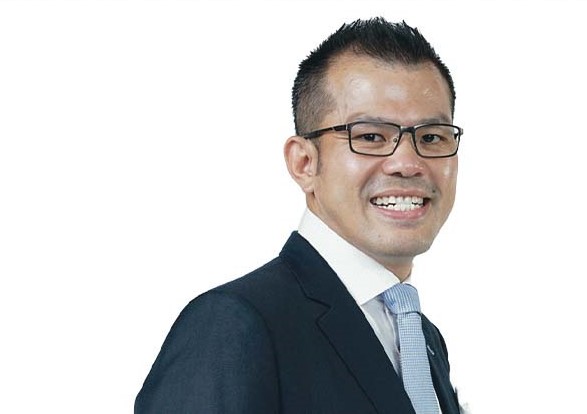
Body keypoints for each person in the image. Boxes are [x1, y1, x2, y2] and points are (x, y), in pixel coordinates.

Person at [135, 17, 466, 414]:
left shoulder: (422, 339)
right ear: (304, 162)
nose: (408, 164)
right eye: (370, 136)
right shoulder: (234, 324)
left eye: (431, 137)